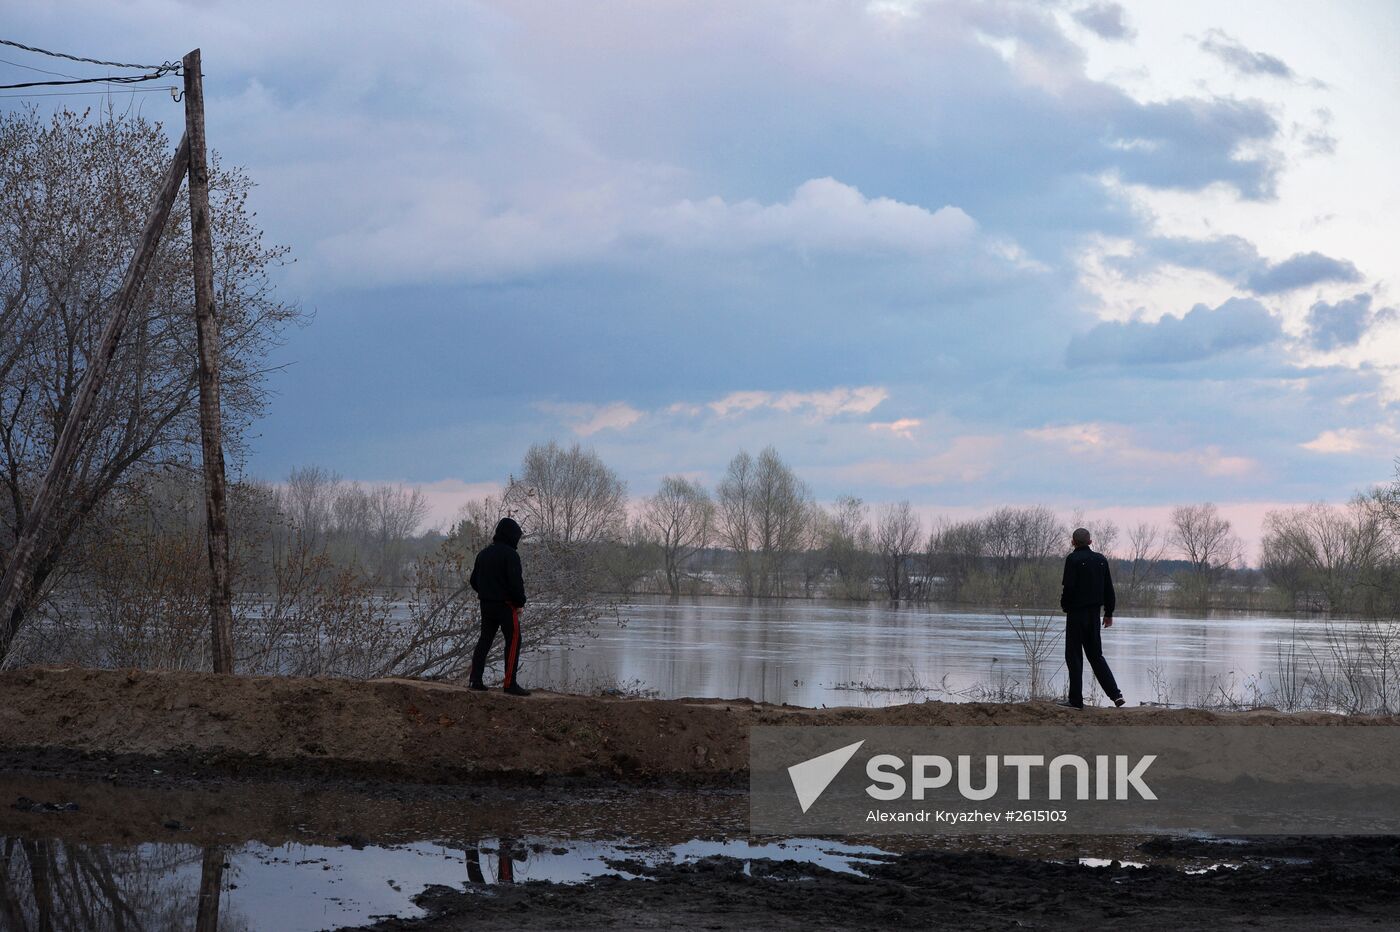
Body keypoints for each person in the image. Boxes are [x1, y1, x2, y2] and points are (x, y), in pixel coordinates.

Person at [1059, 527, 1125, 709]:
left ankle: (1075, 701)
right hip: (1094, 615)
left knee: (1074, 656)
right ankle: (1116, 695)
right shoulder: (1101, 560)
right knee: (1096, 656)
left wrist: (1064, 605)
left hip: (1076, 615)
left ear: (1073, 542)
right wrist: (1109, 613)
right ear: (1090, 541)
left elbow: (1069, 588)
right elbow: (1108, 590)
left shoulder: (1072, 560)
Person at [468, 517, 530, 696]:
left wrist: (487, 593)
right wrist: (519, 604)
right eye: (517, 537)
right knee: (514, 641)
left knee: (484, 640)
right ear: (511, 536)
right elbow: (516, 584)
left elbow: (473, 580)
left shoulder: (483, 553)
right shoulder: (511, 555)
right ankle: (509, 684)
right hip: (506, 606)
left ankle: (475, 680)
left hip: (486, 605)